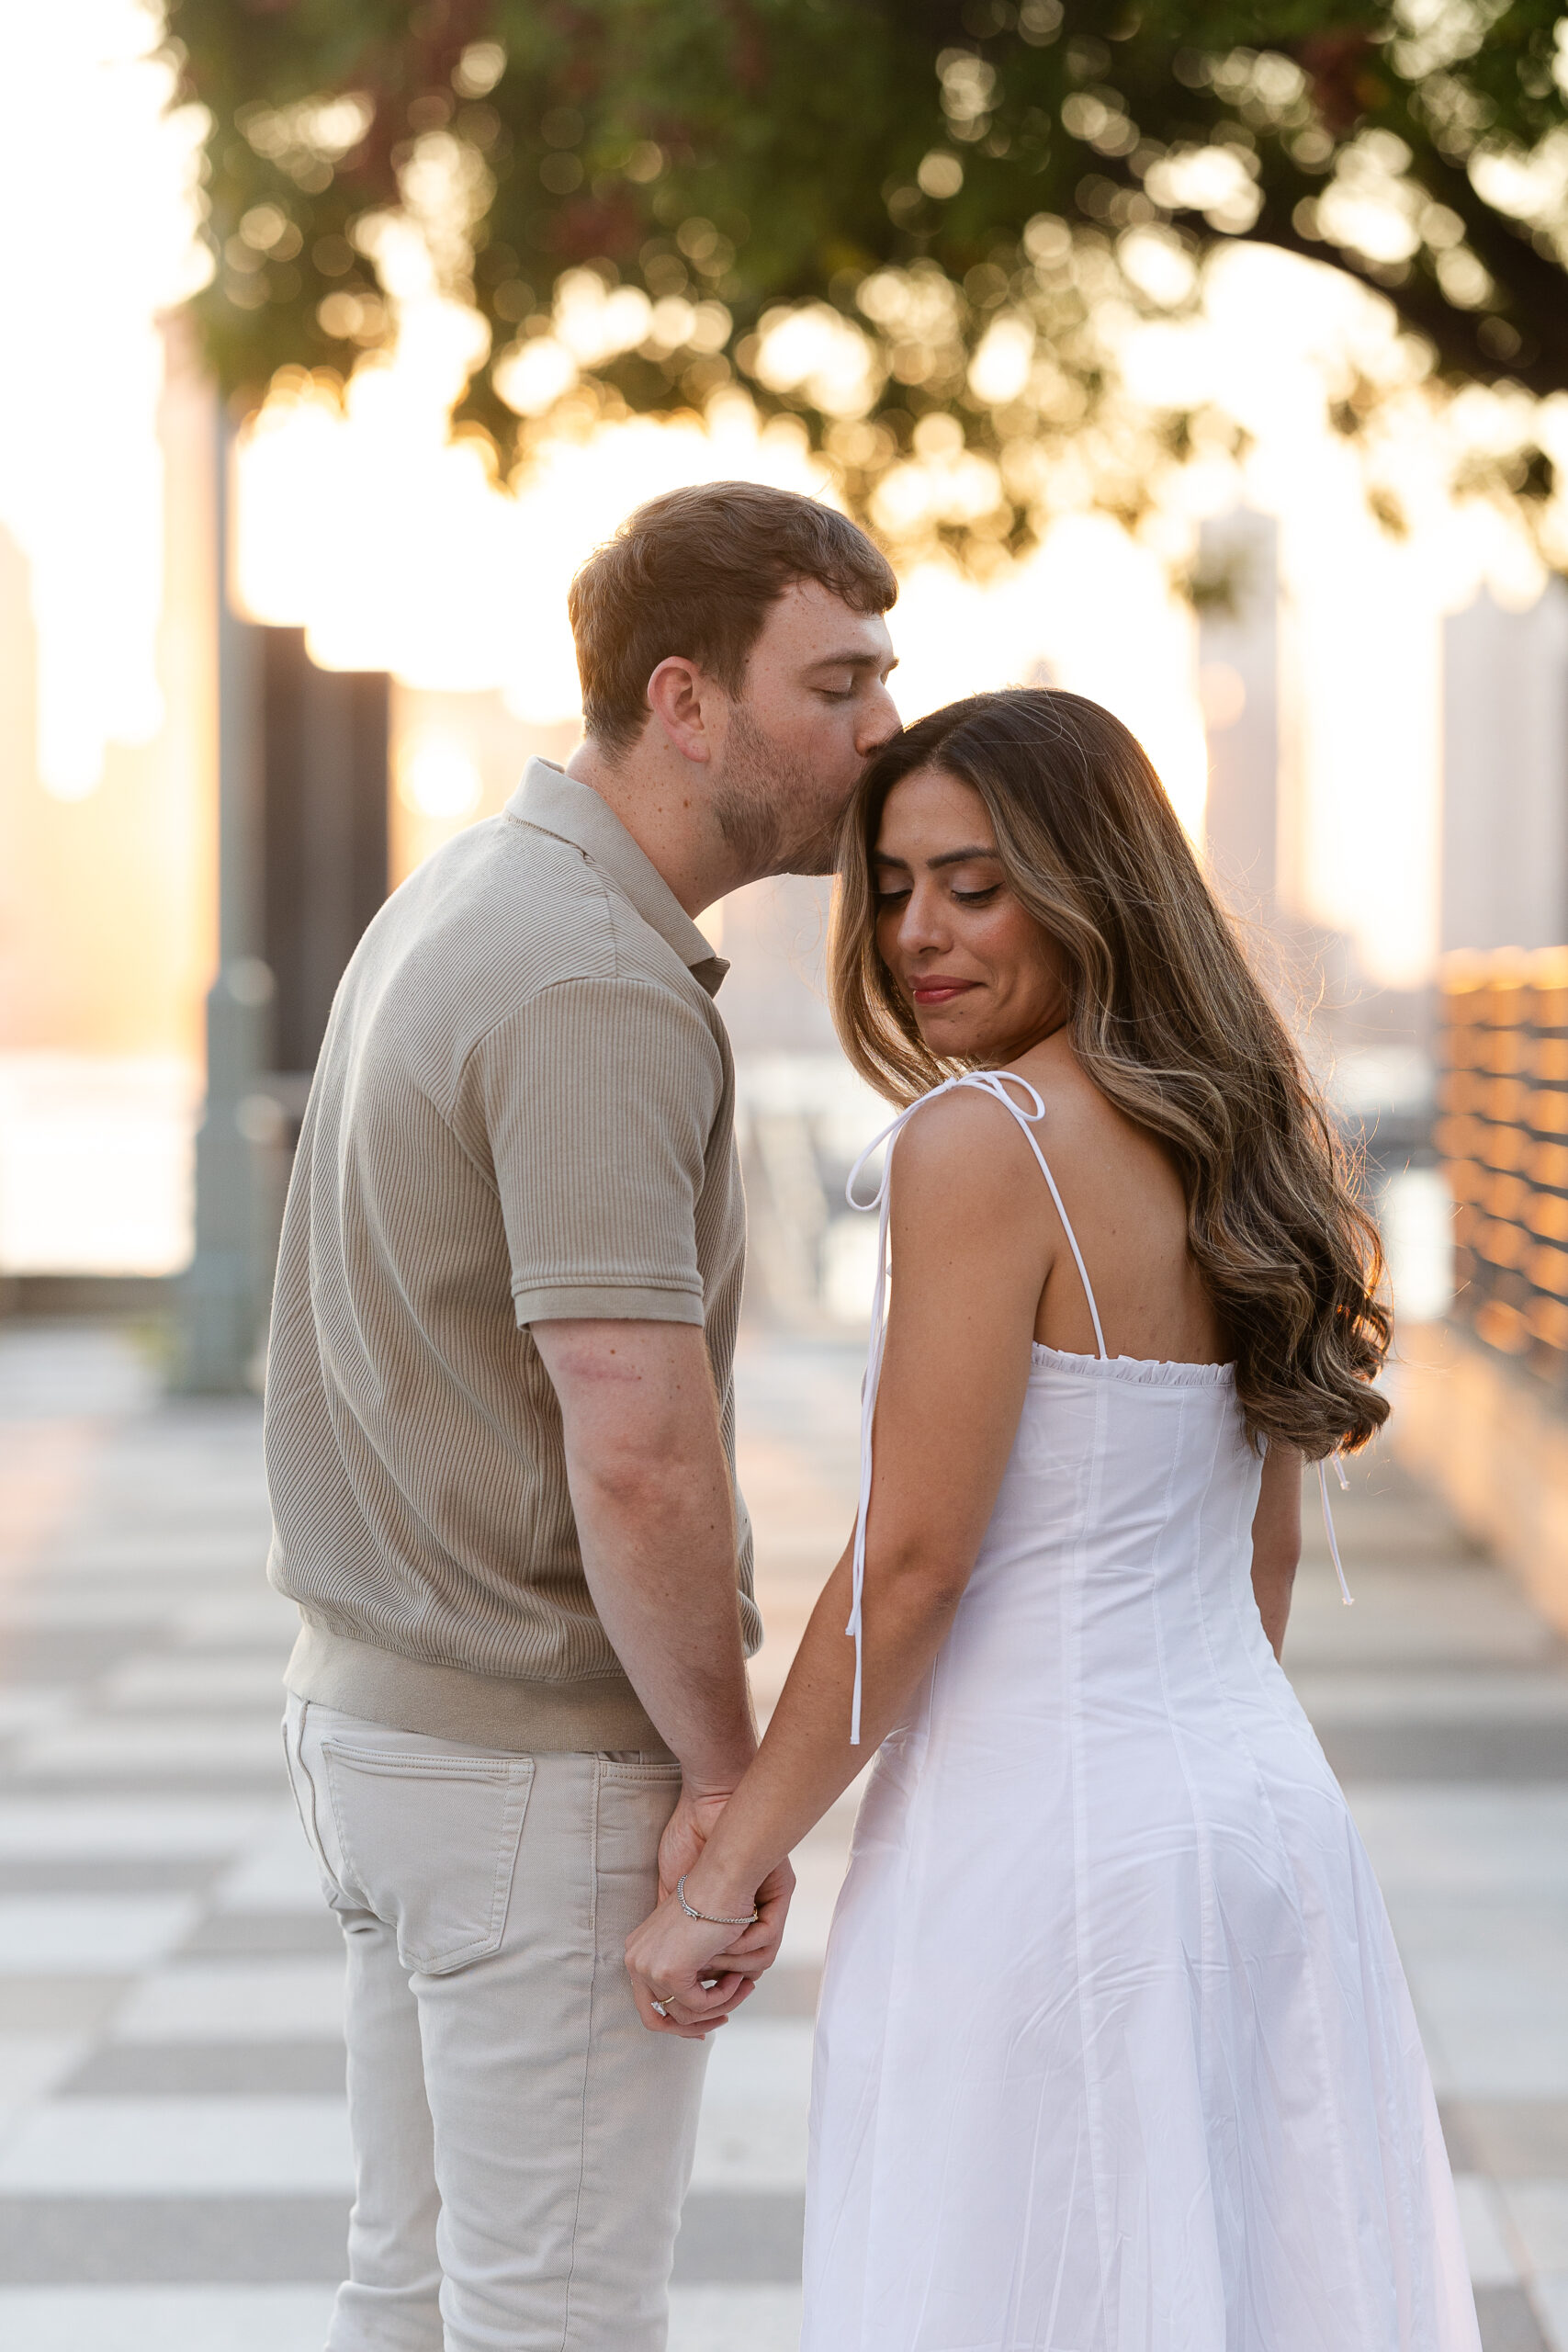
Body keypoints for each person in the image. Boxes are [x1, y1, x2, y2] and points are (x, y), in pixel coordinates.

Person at [626, 688, 1482, 2350]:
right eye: (890, 887)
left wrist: (724, 1875)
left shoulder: (984, 1142)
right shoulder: (1240, 1132)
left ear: (1092, 886)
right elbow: (1261, 1567)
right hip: (1258, 1832)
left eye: (975, 883)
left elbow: (913, 1566)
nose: (917, 933)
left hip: (1042, 1862)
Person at [264, 481, 899, 2351]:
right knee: (557, 2321)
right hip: (531, 1772)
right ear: (686, 699)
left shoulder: (473, 886)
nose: (875, 730)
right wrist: (721, 1788)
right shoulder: (594, 978)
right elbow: (636, 1441)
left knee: (418, 2294)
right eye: (837, 681)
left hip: (386, 1732)